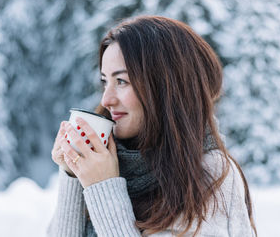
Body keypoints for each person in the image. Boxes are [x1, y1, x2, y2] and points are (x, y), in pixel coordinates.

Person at [47, 16, 257, 237]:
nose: (106, 100)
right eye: (105, 82)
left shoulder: (210, 175)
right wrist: (73, 173)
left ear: (166, 88)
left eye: (122, 81)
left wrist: (104, 187)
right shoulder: (114, 161)